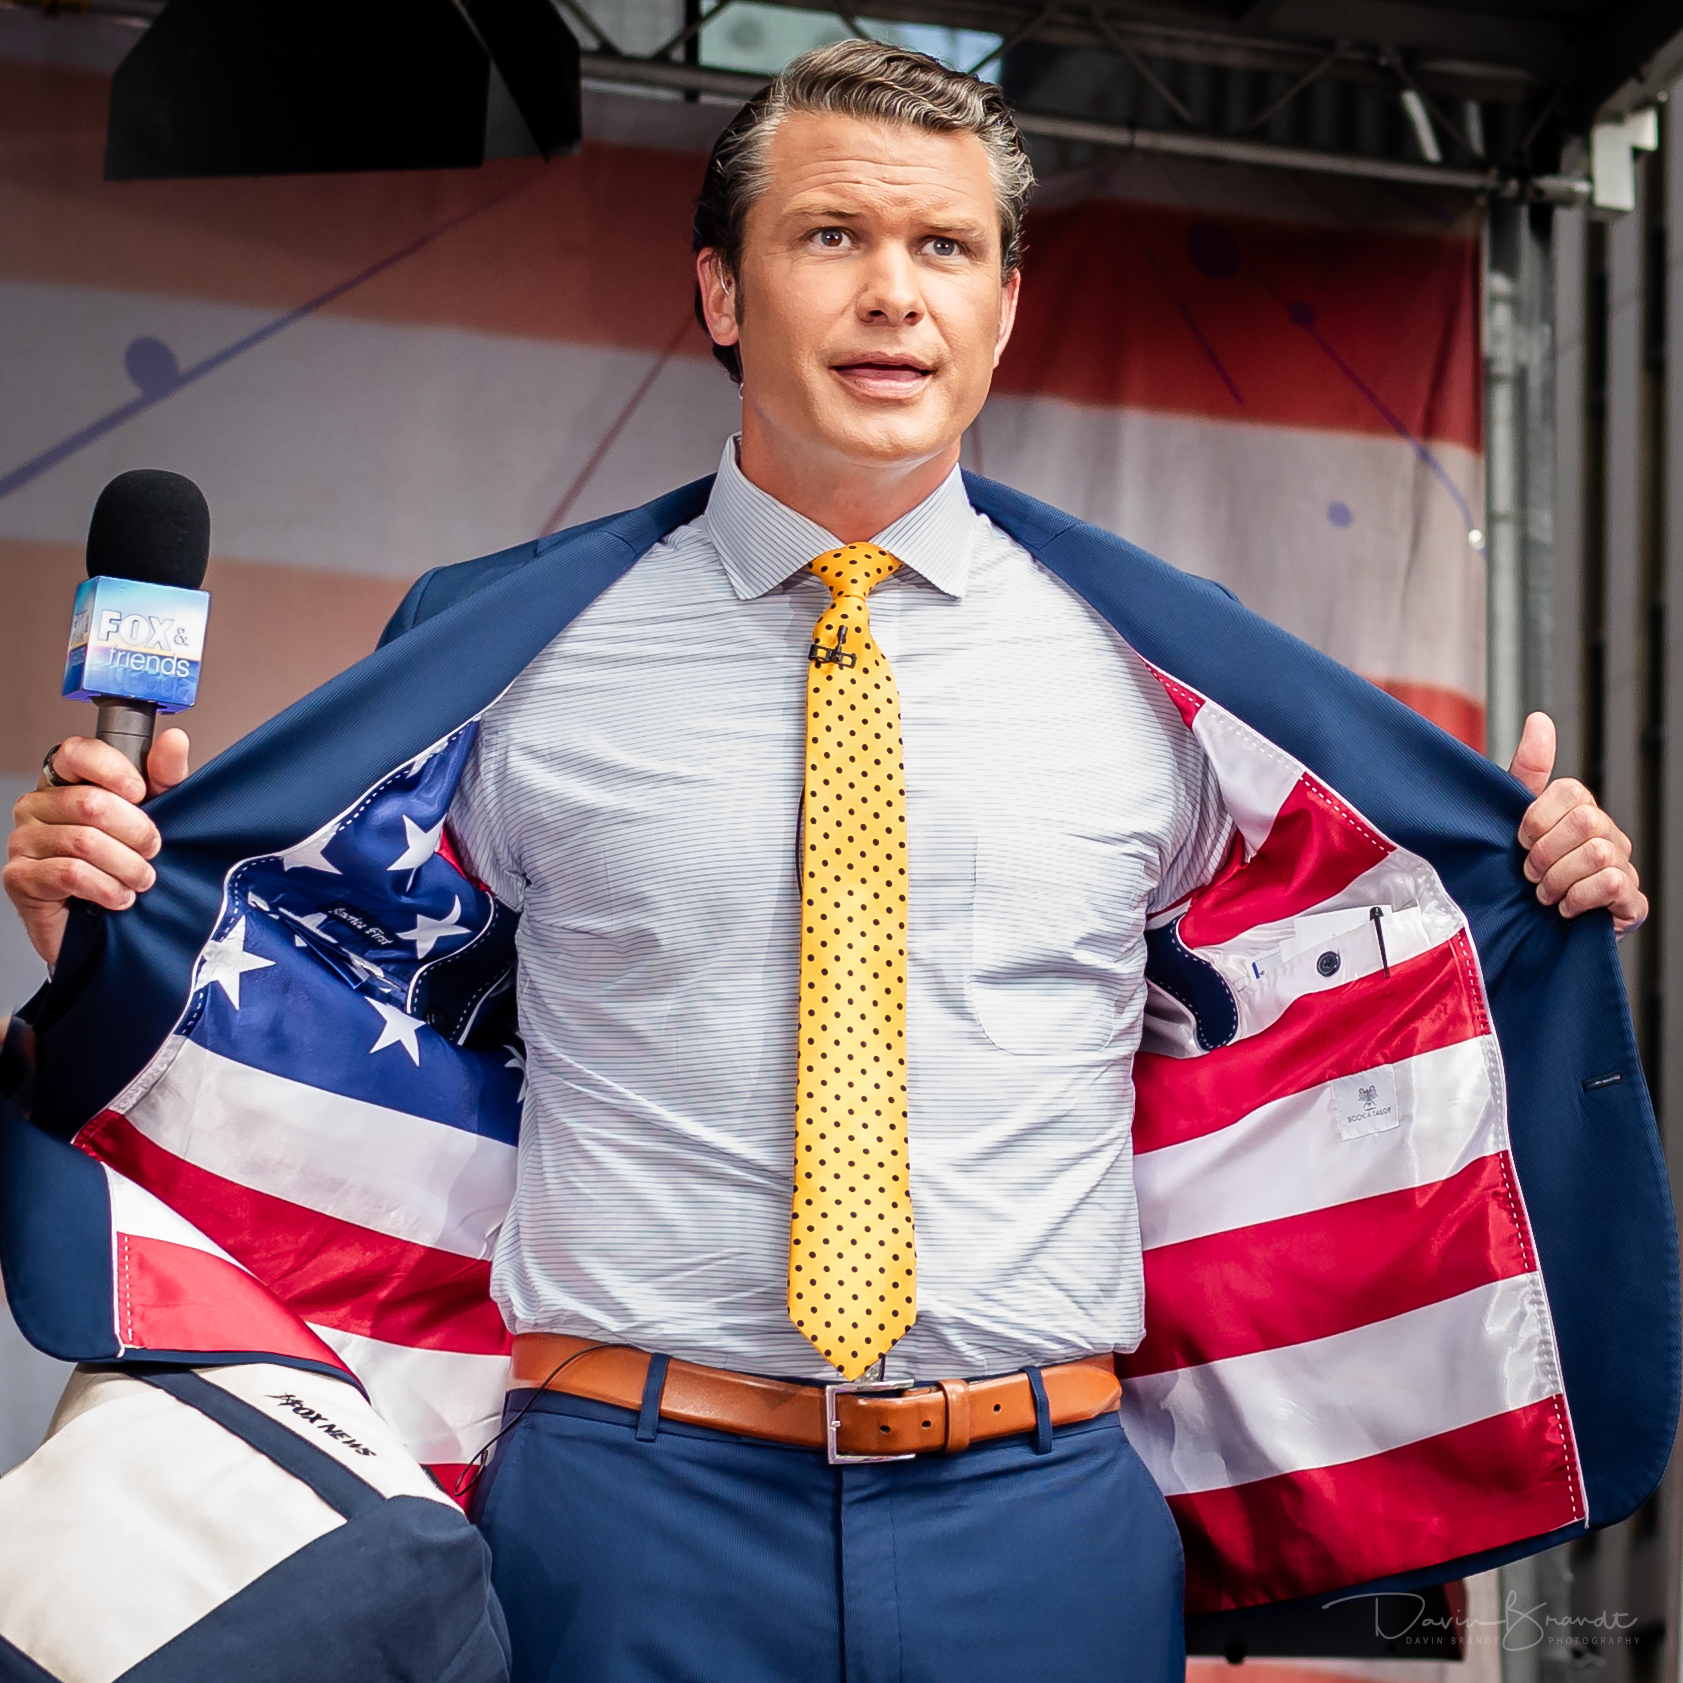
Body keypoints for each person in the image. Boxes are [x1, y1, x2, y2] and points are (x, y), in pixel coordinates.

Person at [2, 40, 1655, 1683]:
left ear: (1004, 306)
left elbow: (1340, 965)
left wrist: (1525, 881)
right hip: (626, 1511)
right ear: (723, 292)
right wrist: (111, 919)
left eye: (946, 250)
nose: (895, 296)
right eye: (832, 239)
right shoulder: (502, 649)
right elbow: (322, 977)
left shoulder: (1177, 680)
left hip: (1044, 1516)